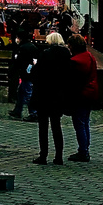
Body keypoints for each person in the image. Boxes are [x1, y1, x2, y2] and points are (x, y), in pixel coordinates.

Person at [31, 31, 72, 165]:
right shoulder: (67, 55)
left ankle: (43, 155)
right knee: (56, 126)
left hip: (44, 93)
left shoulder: (45, 54)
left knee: (43, 127)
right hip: (59, 94)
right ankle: (59, 156)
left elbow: (36, 73)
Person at [67, 33, 98, 161]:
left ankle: (83, 151)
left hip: (81, 95)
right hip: (91, 92)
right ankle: (85, 148)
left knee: (79, 123)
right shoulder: (89, 57)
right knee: (85, 122)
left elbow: (74, 82)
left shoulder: (76, 61)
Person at [8, 31, 40, 121]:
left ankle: (33, 113)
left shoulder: (22, 48)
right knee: (21, 92)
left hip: (25, 74)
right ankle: (17, 110)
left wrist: (11, 72)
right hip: (30, 72)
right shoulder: (32, 47)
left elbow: (18, 62)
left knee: (27, 93)